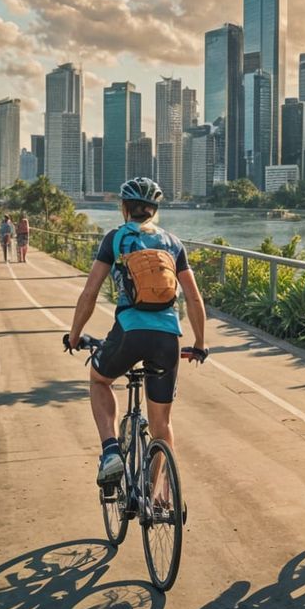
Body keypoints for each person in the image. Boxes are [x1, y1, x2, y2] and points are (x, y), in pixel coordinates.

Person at [65, 177, 209, 488]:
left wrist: (75, 335)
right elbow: (194, 298)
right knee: (162, 425)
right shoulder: (173, 243)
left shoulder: (115, 239)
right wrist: (199, 343)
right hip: (167, 338)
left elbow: (89, 293)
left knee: (99, 380)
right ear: (154, 210)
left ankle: (111, 450)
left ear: (124, 208)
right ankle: (153, 495)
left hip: (129, 333)